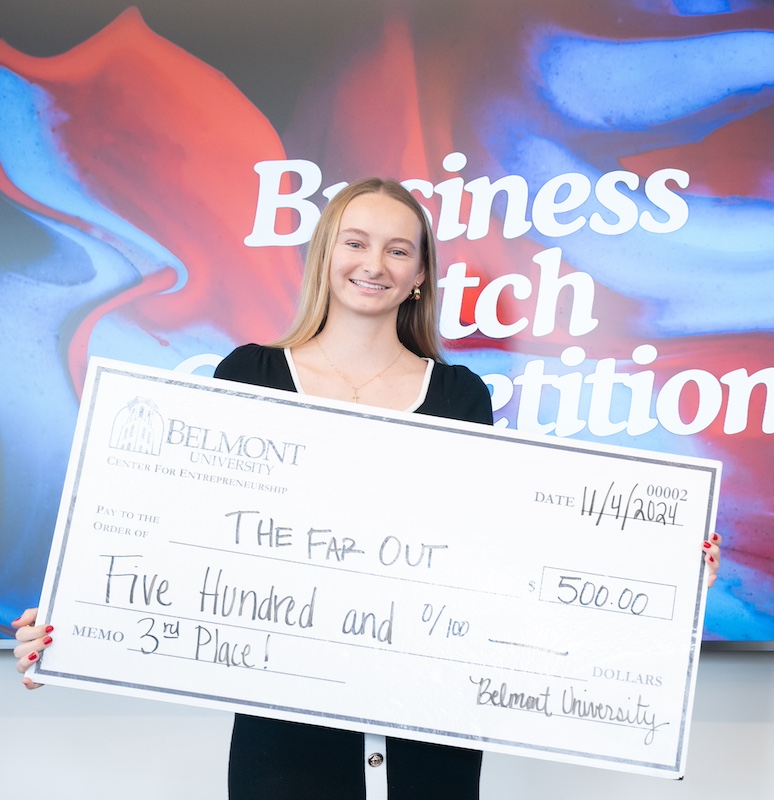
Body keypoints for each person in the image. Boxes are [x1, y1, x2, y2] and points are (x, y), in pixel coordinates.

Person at [12, 178, 723, 799]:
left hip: (430, 739)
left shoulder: (458, 395)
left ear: (419, 274)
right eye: (355, 243)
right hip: (283, 742)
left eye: (398, 249)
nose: (373, 264)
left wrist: (661, 567)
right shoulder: (249, 375)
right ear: (326, 257)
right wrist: (77, 620)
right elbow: (179, 538)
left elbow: (504, 560)